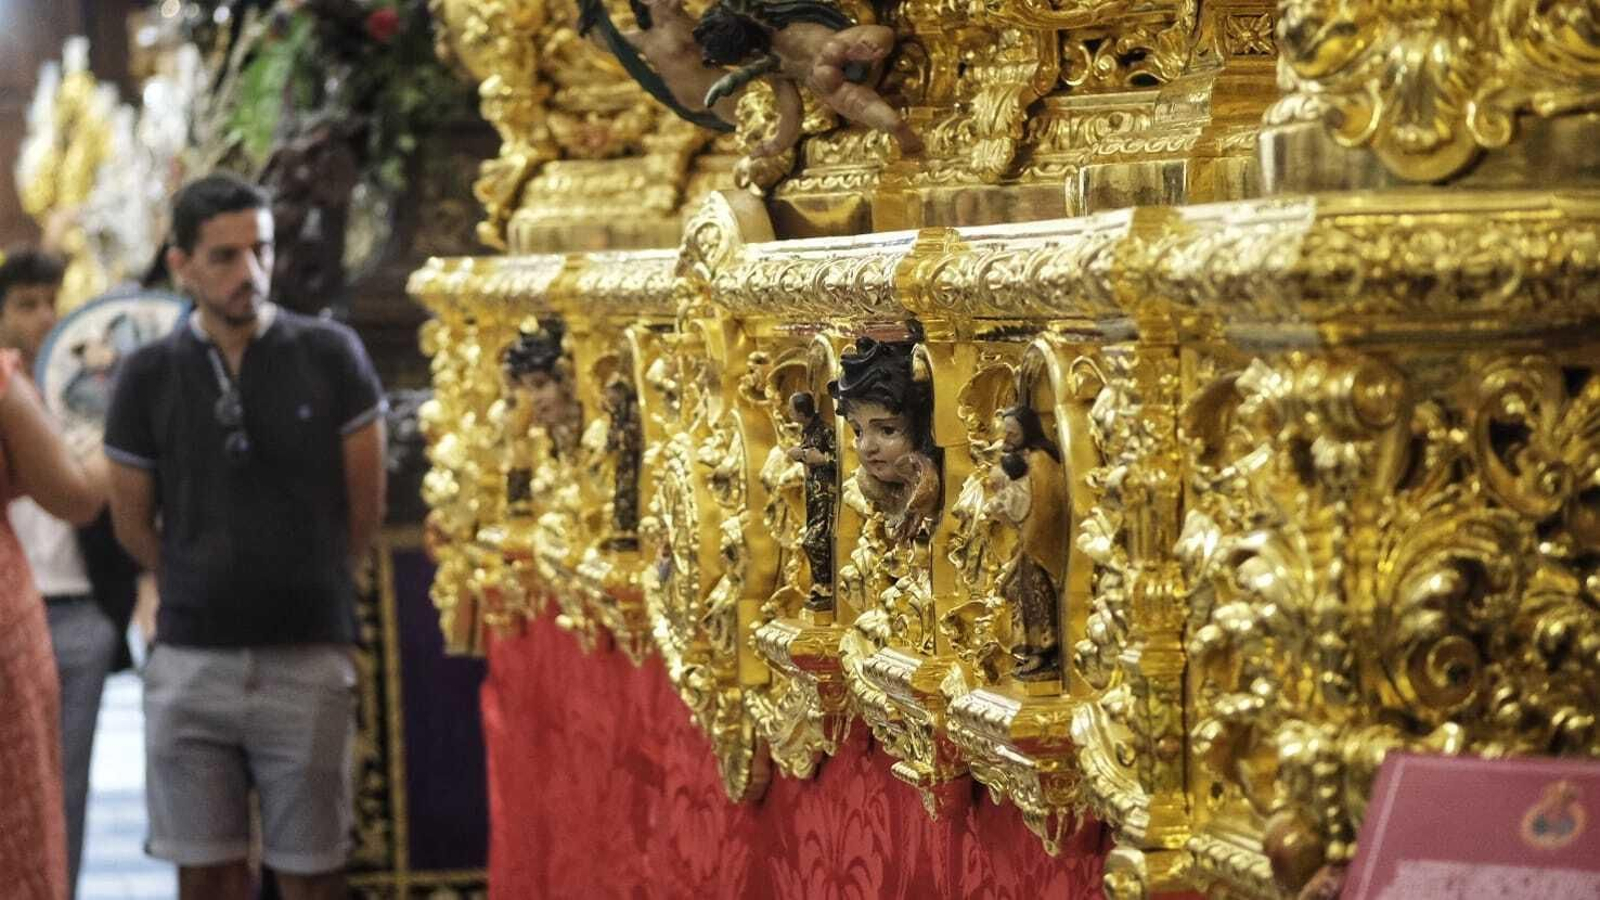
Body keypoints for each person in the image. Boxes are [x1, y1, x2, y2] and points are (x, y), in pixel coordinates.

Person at [103, 173, 387, 900]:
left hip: (306, 654)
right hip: (192, 657)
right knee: (205, 873)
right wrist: (197, 573)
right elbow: (132, 523)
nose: (250, 273)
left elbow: (365, 508)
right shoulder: (146, 375)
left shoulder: (330, 354)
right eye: (224, 257)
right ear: (182, 265)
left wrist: (310, 577)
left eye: (260, 251)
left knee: (312, 874)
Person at [0, 247, 139, 899]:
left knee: (62, 786)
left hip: (75, 605)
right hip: (15, 616)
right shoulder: (9, 384)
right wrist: (123, 428)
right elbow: (79, 495)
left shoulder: (72, 379)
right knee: (26, 795)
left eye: (50, 301)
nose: (42, 316)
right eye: (25, 303)